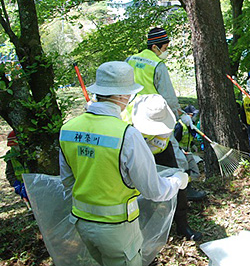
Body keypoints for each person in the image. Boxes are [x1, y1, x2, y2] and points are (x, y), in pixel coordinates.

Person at [59, 61, 190, 266]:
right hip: (116, 229)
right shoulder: (127, 134)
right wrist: (177, 181)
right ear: (121, 96)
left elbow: (67, 182)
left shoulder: (68, 129)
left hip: (81, 223)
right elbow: (154, 191)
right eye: (129, 93)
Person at [132, 94, 202, 241]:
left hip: (161, 152)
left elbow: (162, 142)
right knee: (138, 189)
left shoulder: (163, 116)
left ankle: (182, 225)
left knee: (179, 185)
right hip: (135, 152)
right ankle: (146, 227)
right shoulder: (127, 117)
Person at [124, 27, 194, 131]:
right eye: (165, 48)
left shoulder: (130, 60)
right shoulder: (158, 65)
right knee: (169, 145)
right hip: (151, 117)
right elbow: (168, 97)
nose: (166, 52)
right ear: (154, 47)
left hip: (128, 116)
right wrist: (181, 115)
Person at [3, 130, 30, 202]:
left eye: (16, 145)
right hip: (21, 185)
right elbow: (9, 173)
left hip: (34, 185)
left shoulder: (30, 153)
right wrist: (16, 184)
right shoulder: (10, 155)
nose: (15, 148)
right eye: (13, 146)